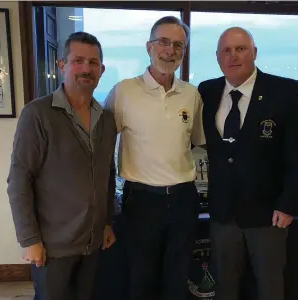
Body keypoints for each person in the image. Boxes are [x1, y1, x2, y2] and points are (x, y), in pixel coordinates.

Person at [198, 27, 298, 300]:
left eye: (240, 49)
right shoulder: (207, 91)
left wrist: (288, 204)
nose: (233, 56)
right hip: (223, 213)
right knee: (224, 287)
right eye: (226, 50)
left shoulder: (283, 91)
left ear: (254, 52)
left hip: (268, 215)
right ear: (217, 57)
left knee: (269, 287)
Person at [7, 31, 117, 300]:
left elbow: (107, 175)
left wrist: (106, 222)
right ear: (61, 66)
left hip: (91, 243)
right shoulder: (38, 114)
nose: (86, 69)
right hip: (53, 246)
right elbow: (19, 180)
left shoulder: (106, 119)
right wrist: (30, 240)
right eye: (78, 60)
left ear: (101, 70)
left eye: (93, 63)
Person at [104, 16, 205, 300]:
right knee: (141, 277)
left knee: (178, 277)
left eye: (178, 45)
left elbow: (196, 140)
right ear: (148, 46)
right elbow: (102, 146)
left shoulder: (191, 94)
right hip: (141, 200)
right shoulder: (124, 91)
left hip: (184, 198)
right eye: (163, 42)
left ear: (183, 53)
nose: (169, 50)